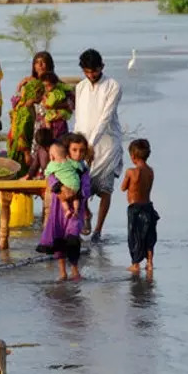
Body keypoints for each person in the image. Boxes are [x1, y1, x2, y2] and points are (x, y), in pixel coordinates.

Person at [72, 48, 123, 243]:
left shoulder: (113, 86)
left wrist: (91, 144)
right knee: (81, 186)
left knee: (105, 189)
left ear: (102, 67)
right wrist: (78, 144)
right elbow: (79, 118)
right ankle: (86, 215)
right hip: (83, 146)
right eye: (87, 71)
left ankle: (98, 231)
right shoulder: (81, 87)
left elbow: (106, 117)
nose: (91, 75)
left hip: (108, 146)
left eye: (94, 71)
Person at [38, 133, 92, 280]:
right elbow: (50, 178)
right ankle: (62, 272)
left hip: (75, 209)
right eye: (74, 150)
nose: (78, 154)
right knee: (59, 239)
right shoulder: (59, 165)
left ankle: (75, 269)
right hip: (58, 209)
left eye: (82, 150)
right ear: (68, 150)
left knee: (73, 237)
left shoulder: (83, 169)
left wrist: (77, 193)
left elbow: (87, 188)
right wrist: (60, 188)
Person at [122, 138, 158, 276]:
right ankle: (149, 263)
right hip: (148, 206)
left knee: (134, 235)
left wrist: (126, 179)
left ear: (133, 156)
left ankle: (135, 264)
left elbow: (123, 188)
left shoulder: (131, 172)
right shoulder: (151, 171)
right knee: (149, 235)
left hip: (135, 207)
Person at [44, 140, 85, 221]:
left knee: (62, 198)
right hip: (75, 185)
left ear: (52, 157)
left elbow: (47, 174)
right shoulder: (70, 161)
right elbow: (79, 167)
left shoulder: (52, 164)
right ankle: (76, 210)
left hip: (65, 186)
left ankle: (67, 210)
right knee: (75, 198)